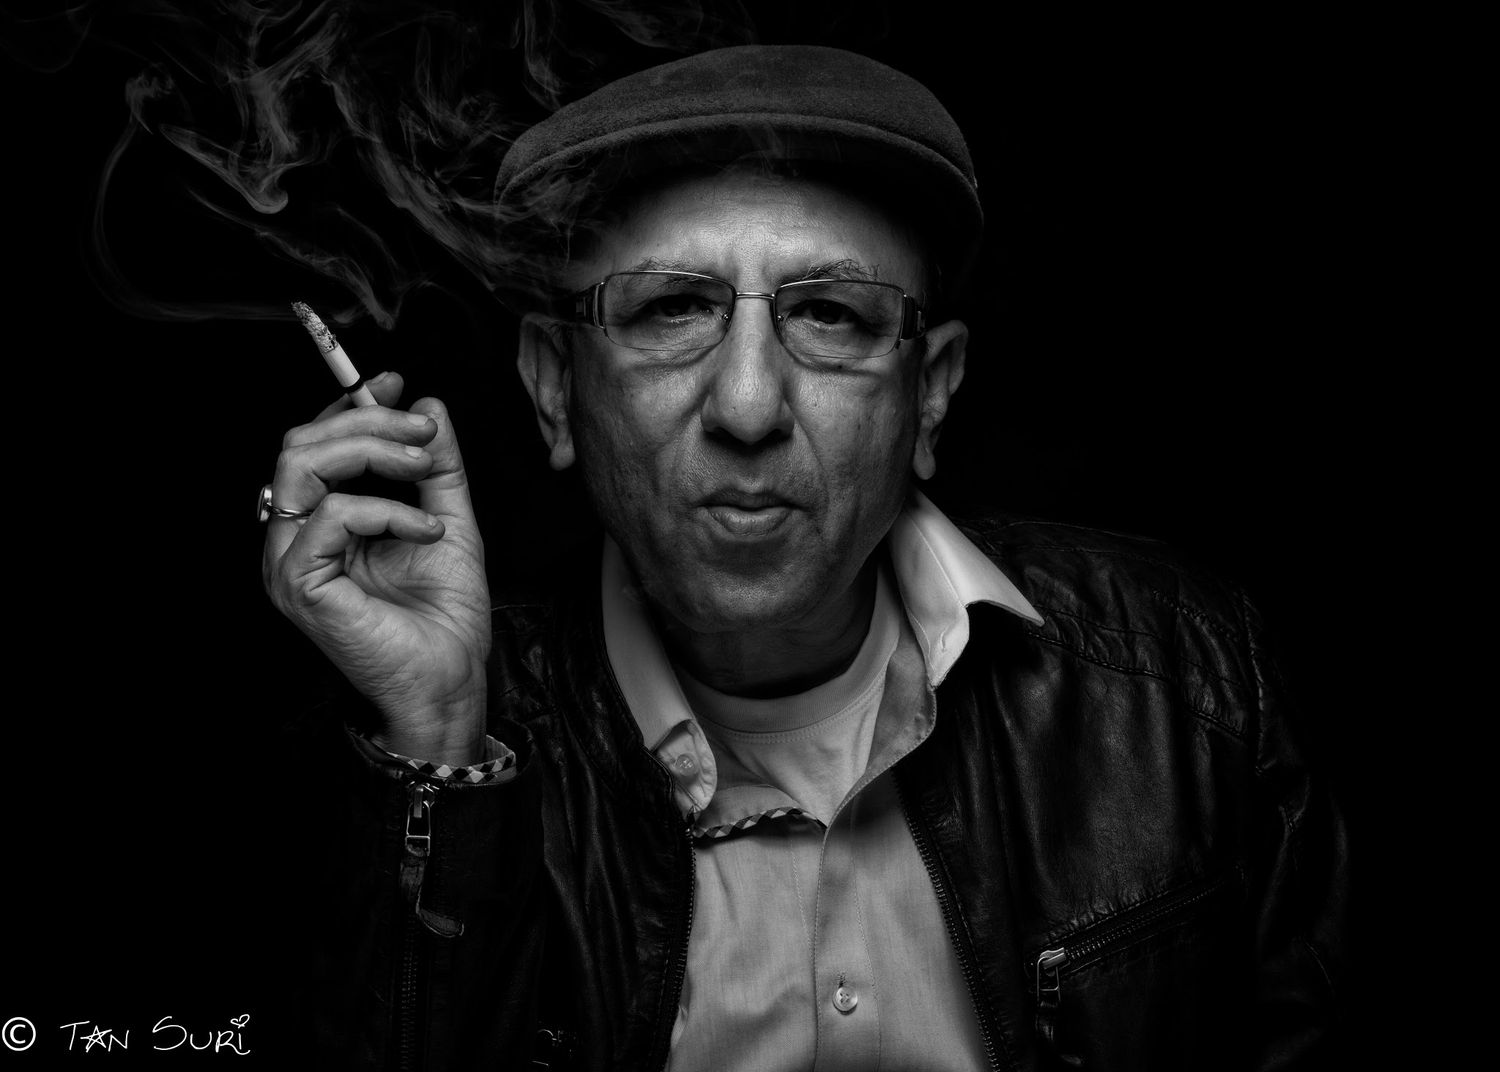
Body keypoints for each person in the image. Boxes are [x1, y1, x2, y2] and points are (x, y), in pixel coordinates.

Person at [261, 45, 1346, 1071]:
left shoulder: (1188, 684)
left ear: (930, 395)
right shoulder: (414, 746)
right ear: (555, 389)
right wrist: (438, 746)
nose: (747, 407)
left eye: (829, 314)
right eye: (672, 307)